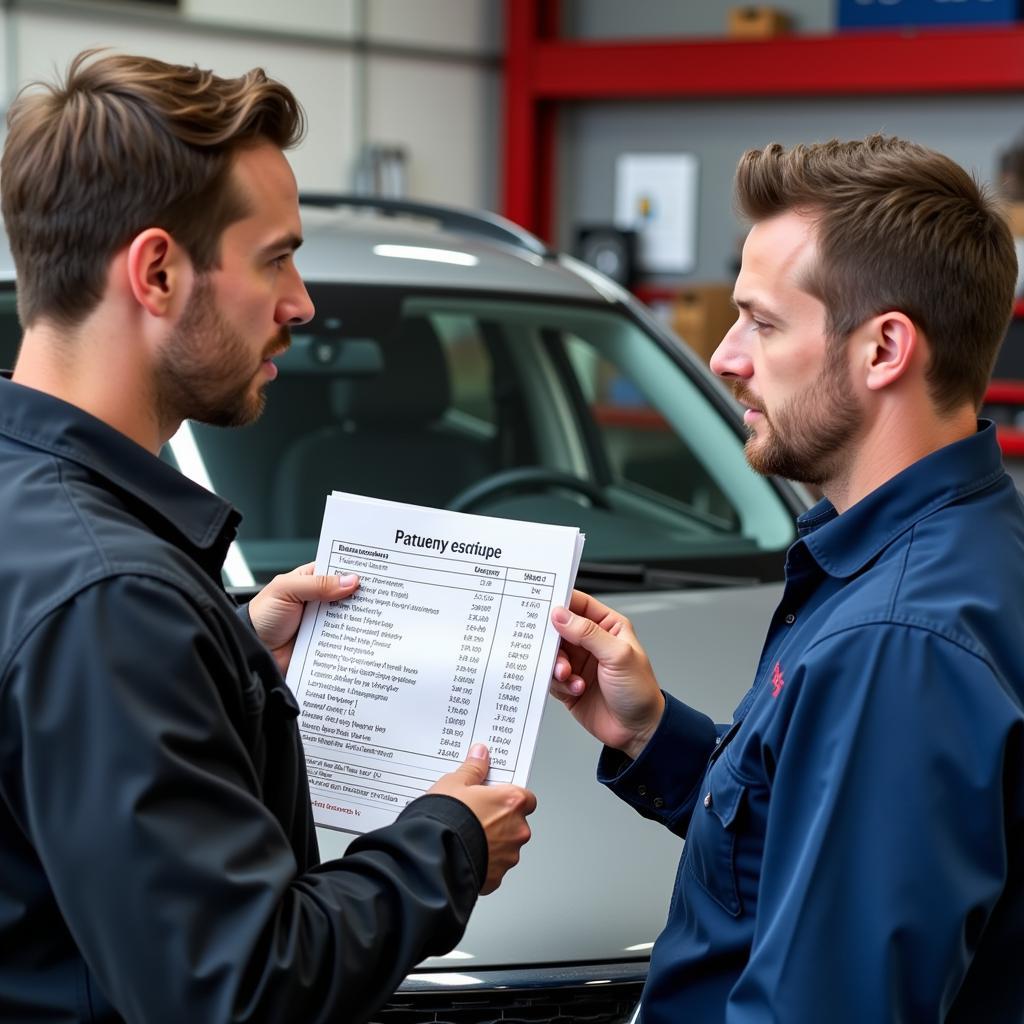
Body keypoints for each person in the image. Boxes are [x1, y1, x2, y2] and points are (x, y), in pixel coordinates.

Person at [0, 51, 535, 1023]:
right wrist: (446, 842)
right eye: (276, 256)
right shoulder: (113, 599)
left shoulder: (35, 518)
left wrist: (226, 654)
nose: (302, 304)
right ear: (157, 271)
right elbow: (236, 988)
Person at [549, 135, 1024, 1021]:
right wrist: (653, 735)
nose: (726, 357)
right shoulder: (943, 554)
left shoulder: (897, 643)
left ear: (884, 349)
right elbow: (798, 850)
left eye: (762, 322)